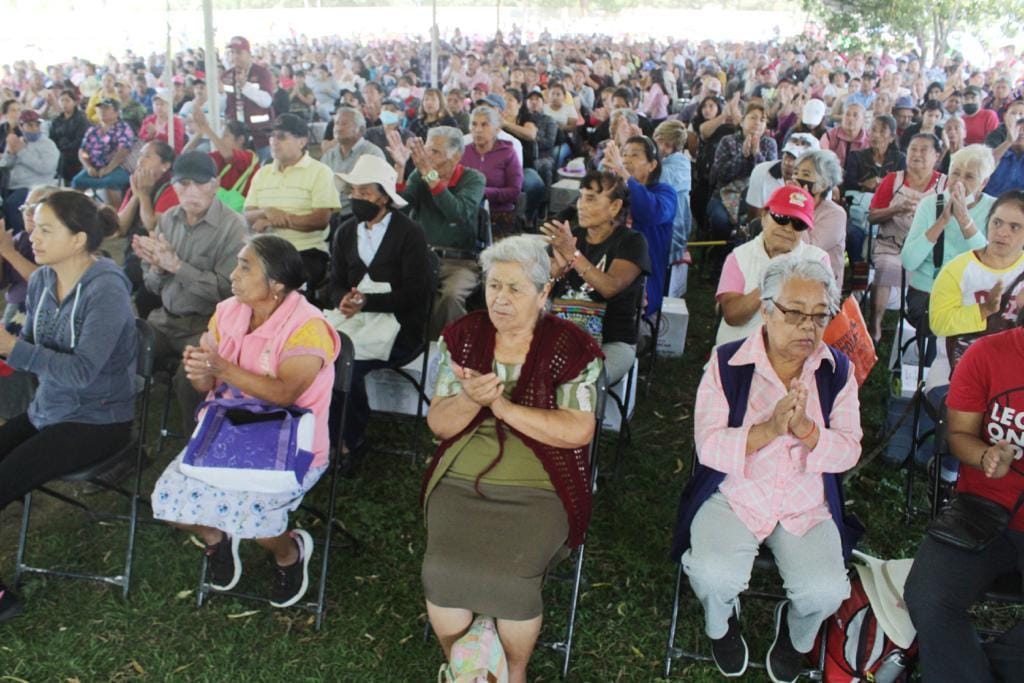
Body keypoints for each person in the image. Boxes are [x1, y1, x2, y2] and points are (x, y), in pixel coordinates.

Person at [421, 234, 603, 683]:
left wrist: (502, 407)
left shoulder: (571, 346)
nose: (500, 299)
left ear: (543, 293)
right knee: (442, 570)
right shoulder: (462, 338)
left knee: (513, 576)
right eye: (493, 286)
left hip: (542, 479)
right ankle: (463, 665)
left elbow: (578, 430)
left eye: (515, 289)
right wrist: (468, 400)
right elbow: (441, 424)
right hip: (463, 472)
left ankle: (514, 671)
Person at [677, 254, 861, 682]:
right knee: (713, 575)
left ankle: (796, 638)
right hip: (736, 495)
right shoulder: (726, 364)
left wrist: (807, 430)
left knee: (826, 591)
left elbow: (848, 450)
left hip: (805, 503)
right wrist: (769, 429)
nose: (808, 327)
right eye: (794, 313)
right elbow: (708, 445)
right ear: (765, 310)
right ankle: (721, 624)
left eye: (819, 315)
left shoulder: (836, 372)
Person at [151, 234, 339, 608]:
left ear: (276, 285)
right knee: (167, 504)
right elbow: (208, 383)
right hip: (227, 430)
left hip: (290, 441)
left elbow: (286, 393)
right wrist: (201, 371)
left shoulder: (308, 326)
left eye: (244, 266)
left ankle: (290, 552)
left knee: (258, 525)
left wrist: (223, 368)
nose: (233, 274)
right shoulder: (228, 311)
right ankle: (216, 538)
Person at [0, 191, 137, 622]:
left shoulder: (107, 290)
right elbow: (36, 349)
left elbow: (82, 373)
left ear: (78, 239)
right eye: (32, 226)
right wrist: (11, 345)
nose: (31, 236)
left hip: (98, 418)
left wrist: (11, 348)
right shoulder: (42, 280)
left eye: (45, 229)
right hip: (50, 410)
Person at [903, 314, 1024, 683]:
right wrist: (985, 456)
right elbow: (959, 433)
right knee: (927, 597)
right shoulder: (988, 353)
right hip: (982, 511)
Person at [327, 155, 432, 468]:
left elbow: (418, 292)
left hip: (399, 326)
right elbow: (334, 284)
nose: (357, 198)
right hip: (354, 319)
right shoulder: (346, 232)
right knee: (324, 353)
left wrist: (369, 303)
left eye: (365, 192)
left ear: (384, 197)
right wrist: (343, 299)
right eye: (354, 192)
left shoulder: (409, 233)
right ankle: (329, 435)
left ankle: (349, 440)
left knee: (347, 363)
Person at [133, 151, 248, 434]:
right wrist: (158, 269)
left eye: (200, 183)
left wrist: (176, 266)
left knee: (191, 378)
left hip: (206, 325)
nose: (192, 191)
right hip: (165, 319)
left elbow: (229, 292)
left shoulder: (233, 226)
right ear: (173, 186)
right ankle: (115, 430)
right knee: (120, 348)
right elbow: (152, 286)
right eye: (184, 184)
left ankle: (196, 444)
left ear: (215, 184)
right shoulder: (168, 220)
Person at [543, 171, 649, 384]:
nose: (581, 205)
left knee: (582, 382)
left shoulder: (632, 242)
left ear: (615, 207)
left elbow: (609, 287)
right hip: (560, 334)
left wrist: (573, 255)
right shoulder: (571, 238)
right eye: (580, 197)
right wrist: (556, 272)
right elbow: (540, 293)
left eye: (591, 199)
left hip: (612, 340)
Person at [390, 126, 486, 338]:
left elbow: (457, 213)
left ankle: (443, 350)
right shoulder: (419, 173)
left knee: (450, 296)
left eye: (435, 152)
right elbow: (402, 208)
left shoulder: (474, 179)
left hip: (460, 261)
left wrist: (431, 176)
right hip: (422, 256)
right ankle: (403, 347)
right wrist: (399, 167)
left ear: (456, 156)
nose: (427, 157)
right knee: (391, 285)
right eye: (427, 150)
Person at [715, 186, 830, 346]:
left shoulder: (818, 260)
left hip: (792, 353)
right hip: (737, 348)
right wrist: (771, 282)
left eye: (798, 223)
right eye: (781, 217)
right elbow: (732, 316)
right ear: (764, 216)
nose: (788, 228)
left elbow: (817, 318)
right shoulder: (739, 256)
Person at [928, 191, 1024, 382]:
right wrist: (984, 310)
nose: (1002, 232)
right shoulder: (958, 268)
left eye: (1015, 227)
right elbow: (939, 323)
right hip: (955, 370)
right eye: (997, 222)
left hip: (1013, 376)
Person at [901, 145, 997, 334]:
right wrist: (942, 221)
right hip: (928, 291)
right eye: (955, 174)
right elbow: (908, 261)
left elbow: (991, 262)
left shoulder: (994, 209)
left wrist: (964, 221)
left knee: (977, 322)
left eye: (969, 177)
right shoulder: (930, 204)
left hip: (974, 293)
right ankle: (935, 362)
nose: (959, 182)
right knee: (942, 320)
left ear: (983, 183)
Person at [243, 113, 341, 291]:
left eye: (281, 136)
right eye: (271, 136)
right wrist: (267, 211)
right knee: (239, 285)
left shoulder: (320, 172)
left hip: (304, 252)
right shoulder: (263, 173)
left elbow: (320, 220)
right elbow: (248, 215)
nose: (273, 141)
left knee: (278, 289)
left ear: (302, 142)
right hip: (264, 251)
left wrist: (276, 219)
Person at [867, 133, 946, 342]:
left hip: (926, 251)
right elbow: (872, 216)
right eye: (913, 149)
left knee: (936, 273)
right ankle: (875, 326)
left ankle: (926, 330)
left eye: (924, 150)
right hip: (892, 244)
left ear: (937, 155)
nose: (917, 154)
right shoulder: (894, 179)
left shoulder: (944, 185)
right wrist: (895, 209)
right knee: (885, 265)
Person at [603, 135, 676, 318]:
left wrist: (622, 172)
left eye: (635, 155)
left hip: (642, 282)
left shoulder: (665, 193)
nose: (626, 159)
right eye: (624, 154)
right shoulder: (616, 191)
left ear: (652, 165)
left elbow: (650, 212)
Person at [707, 104, 777, 243]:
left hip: (757, 198)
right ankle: (721, 254)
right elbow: (720, 174)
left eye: (762, 120)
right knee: (720, 220)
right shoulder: (727, 141)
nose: (757, 122)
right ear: (742, 121)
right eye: (753, 118)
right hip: (724, 195)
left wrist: (756, 154)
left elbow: (771, 177)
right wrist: (742, 156)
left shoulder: (769, 143)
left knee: (756, 223)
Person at [461, 105, 523, 239]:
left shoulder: (508, 153)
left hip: (499, 214)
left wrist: (484, 192)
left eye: (484, 125)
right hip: (467, 212)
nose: (478, 130)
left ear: (497, 129)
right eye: (474, 124)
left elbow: (514, 190)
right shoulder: (463, 152)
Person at [793, 150, 848, 289]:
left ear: (823, 184)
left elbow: (809, 251)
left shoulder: (836, 214)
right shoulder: (788, 205)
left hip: (820, 284)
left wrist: (800, 207)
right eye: (796, 172)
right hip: (789, 275)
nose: (796, 178)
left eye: (805, 174)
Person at [321, 106, 386, 221]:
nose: (338, 128)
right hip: (330, 214)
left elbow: (376, 192)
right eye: (336, 123)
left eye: (344, 124)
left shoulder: (372, 153)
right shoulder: (329, 154)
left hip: (360, 215)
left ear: (360, 130)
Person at [0, 110, 59, 234]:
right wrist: (10, 153)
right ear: (21, 127)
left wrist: (22, 151)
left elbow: (46, 168)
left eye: (37, 125)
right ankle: (7, 236)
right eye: (30, 125)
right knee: (2, 206)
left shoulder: (48, 145)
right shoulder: (18, 141)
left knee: (13, 204)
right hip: (13, 185)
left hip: (36, 185)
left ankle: (20, 237)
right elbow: (5, 165)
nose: (35, 128)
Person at [653, 120, 693, 297]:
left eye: (655, 143)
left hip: (669, 235)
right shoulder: (682, 163)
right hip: (679, 231)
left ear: (665, 145)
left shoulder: (667, 170)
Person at [71, 98, 134, 208]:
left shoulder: (123, 128)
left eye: (106, 108)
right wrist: (88, 167)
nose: (102, 111)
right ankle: (78, 215)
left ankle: (116, 218)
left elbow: (124, 150)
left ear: (116, 112)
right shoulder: (92, 130)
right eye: (100, 108)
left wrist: (109, 168)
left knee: (110, 183)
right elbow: (83, 151)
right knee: (77, 181)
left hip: (118, 167)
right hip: (94, 167)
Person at [222, 36, 274, 162]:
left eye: (239, 52)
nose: (235, 56)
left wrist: (245, 87)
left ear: (249, 54)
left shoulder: (261, 73)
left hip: (260, 136)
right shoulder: (227, 75)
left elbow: (267, 101)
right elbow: (225, 102)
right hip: (236, 137)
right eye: (232, 52)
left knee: (261, 173)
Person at [746, 133, 819, 221]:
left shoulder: (820, 185)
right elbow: (754, 217)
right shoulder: (761, 171)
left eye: (796, 158)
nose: (788, 162)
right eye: (788, 154)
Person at [48, 89, 89, 185]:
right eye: (62, 100)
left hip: (76, 153)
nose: (64, 103)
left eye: (67, 100)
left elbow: (81, 139)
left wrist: (66, 148)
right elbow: (52, 138)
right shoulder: (56, 121)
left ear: (74, 102)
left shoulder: (81, 119)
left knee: (66, 158)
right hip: (59, 152)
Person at [985, 102, 1024, 196]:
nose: (1020, 132)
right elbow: (985, 164)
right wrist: (1009, 141)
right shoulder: (997, 143)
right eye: (1017, 128)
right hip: (991, 202)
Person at [819, 102, 869, 167]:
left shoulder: (869, 140)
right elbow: (823, 159)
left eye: (855, 115)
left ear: (863, 120)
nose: (850, 118)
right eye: (847, 114)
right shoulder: (829, 136)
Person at [138, 88, 185, 154]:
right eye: (156, 104)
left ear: (169, 106)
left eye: (162, 104)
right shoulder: (148, 120)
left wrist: (157, 134)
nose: (159, 107)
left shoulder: (176, 122)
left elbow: (177, 144)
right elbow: (141, 137)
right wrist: (150, 135)